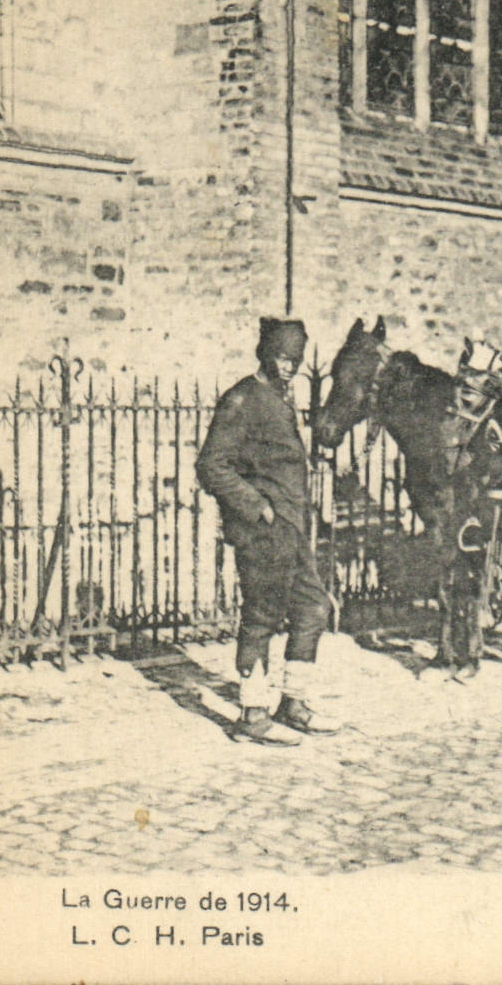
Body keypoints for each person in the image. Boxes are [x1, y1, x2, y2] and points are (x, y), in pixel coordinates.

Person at [196, 317, 342, 746]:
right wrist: (256, 508)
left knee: (314, 607)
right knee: (261, 616)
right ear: (265, 353)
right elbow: (211, 466)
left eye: (295, 359)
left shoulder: (280, 400)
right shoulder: (241, 400)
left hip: (293, 531)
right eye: (282, 357)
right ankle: (252, 713)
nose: (289, 367)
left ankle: (293, 703)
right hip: (262, 533)